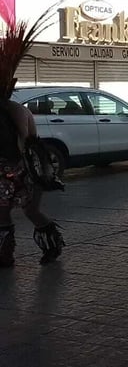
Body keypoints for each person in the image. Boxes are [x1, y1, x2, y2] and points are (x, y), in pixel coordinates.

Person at [0, 20, 66, 267]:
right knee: (8, 213)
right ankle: (6, 254)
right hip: (13, 171)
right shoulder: (16, 109)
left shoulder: (16, 111)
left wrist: (35, 173)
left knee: (29, 211)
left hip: (22, 171)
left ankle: (51, 245)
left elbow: (29, 144)